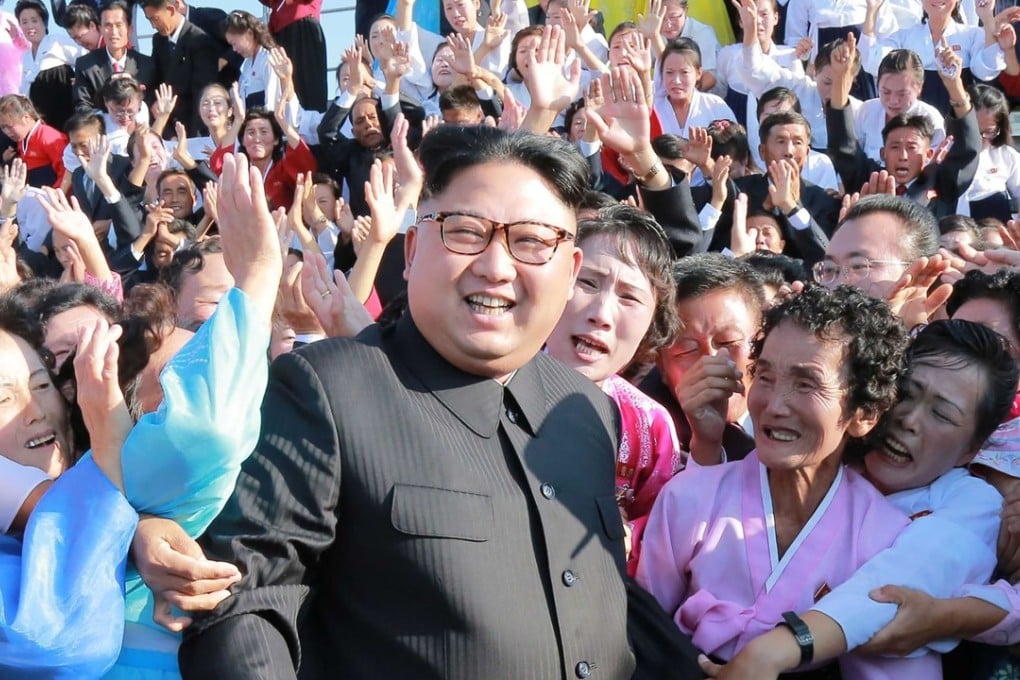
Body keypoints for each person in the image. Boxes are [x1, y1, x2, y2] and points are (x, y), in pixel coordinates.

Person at [179, 124, 637, 679]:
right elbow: (242, 601)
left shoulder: (589, 411)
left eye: (533, 242)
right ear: (415, 250)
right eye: (466, 232)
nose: (496, 266)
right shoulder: (327, 390)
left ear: (569, 274)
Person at [637, 284, 940, 676]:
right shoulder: (689, 498)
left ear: (865, 413)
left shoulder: (886, 536)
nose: (774, 405)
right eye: (764, 376)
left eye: (806, 383)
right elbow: (640, 633)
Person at [701, 319, 1017, 679]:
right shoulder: (822, 452)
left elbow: (896, 582)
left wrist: (775, 652)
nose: (908, 419)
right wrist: (706, 445)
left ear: (971, 449)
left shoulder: (973, 503)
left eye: (942, 414)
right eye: (906, 393)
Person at [544, 203, 682, 570]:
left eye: (630, 297)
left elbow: (660, 533)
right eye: (588, 282)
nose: (601, 314)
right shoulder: (485, 383)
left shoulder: (650, 426)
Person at [639, 253, 764, 465]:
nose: (712, 362)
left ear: (762, 340)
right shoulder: (646, 436)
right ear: (661, 366)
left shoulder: (799, 405)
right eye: (687, 351)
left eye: (728, 342)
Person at [141, 0, 220, 137]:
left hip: (191, 132)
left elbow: (202, 95)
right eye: (149, 20)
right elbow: (154, 81)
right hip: (167, 129)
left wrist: (196, 139)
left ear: (171, 10)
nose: (153, 26)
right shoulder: (159, 41)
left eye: (155, 19)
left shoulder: (199, 41)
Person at [72, 0, 155, 113]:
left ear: (130, 29)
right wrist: (108, 117)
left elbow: (152, 104)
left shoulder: (147, 65)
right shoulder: (85, 65)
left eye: (119, 25)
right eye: (108, 25)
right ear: (100, 29)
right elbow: (82, 107)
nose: (113, 32)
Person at [16, 0, 84, 131]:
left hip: (65, 113)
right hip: (41, 121)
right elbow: (24, 92)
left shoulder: (56, 41)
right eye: (24, 22)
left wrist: (81, 80)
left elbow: (84, 57)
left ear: (44, 22)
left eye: (34, 20)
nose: (30, 26)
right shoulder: (26, 57)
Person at [959, 84, 1020, 223]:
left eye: (989, 132)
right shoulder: (946, 153)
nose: (980, 139)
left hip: (997, 232)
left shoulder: (1005, 155)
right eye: (974, 131)